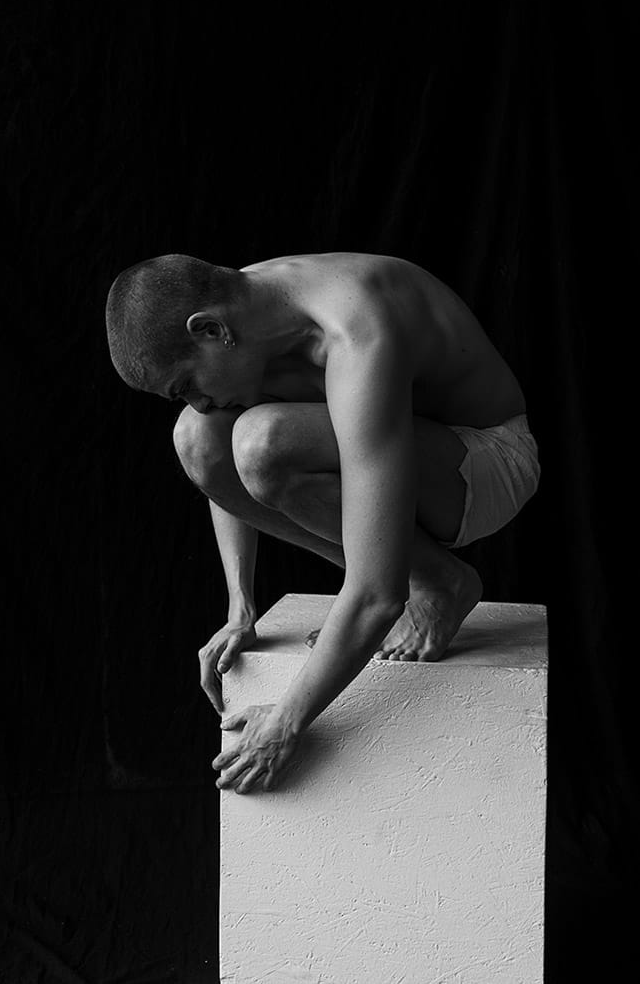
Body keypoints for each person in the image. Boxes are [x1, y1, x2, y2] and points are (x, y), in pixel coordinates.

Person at [105, 251, 540, 794]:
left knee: (263, 443)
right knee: (196, 438)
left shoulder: (355, 329)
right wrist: (241, 610)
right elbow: (215, 459)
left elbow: (378, 593)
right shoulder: (247, 309)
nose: (197, 401)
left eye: (186, 384)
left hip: (488, 459)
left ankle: (437, 581)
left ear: (211, 330)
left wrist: (287, 722)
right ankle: (433, 574)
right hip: (411, 448)